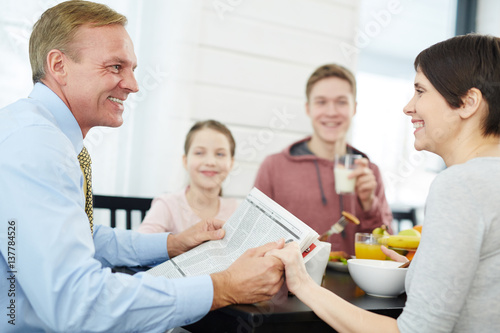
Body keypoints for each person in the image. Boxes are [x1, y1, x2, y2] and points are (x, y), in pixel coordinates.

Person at [0, 1, 284, 332]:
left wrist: (172, 244)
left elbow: (81, 237)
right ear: (59, 65)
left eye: (132, 68)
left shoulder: (37, 132)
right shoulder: (36, 147)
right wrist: (221, 287)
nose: (134, 85)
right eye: (116, 67)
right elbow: (78, 303)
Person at [267, 34, 500, 332]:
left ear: (468, 103)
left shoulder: (459, 185)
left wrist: (302, 283)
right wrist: (421, 270)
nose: (408, 107)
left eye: (420, 91)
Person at [254, 63, 392, 255]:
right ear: (308, 108)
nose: (331, 112)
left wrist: (369, 204)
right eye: (321, 102)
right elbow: (255, 238)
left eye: (341, 102)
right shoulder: (274, 167)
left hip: (351, 285)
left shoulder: (369, 171)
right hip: (290, 283)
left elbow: (386, 249)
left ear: (354, 108)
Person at [138, 120, 238, 234]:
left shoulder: (236, 210)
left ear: (231, 163)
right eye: (199, 153)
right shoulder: (167, 206)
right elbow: (141, 247)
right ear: (185, 161)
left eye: (220, 154)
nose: (210, 162)